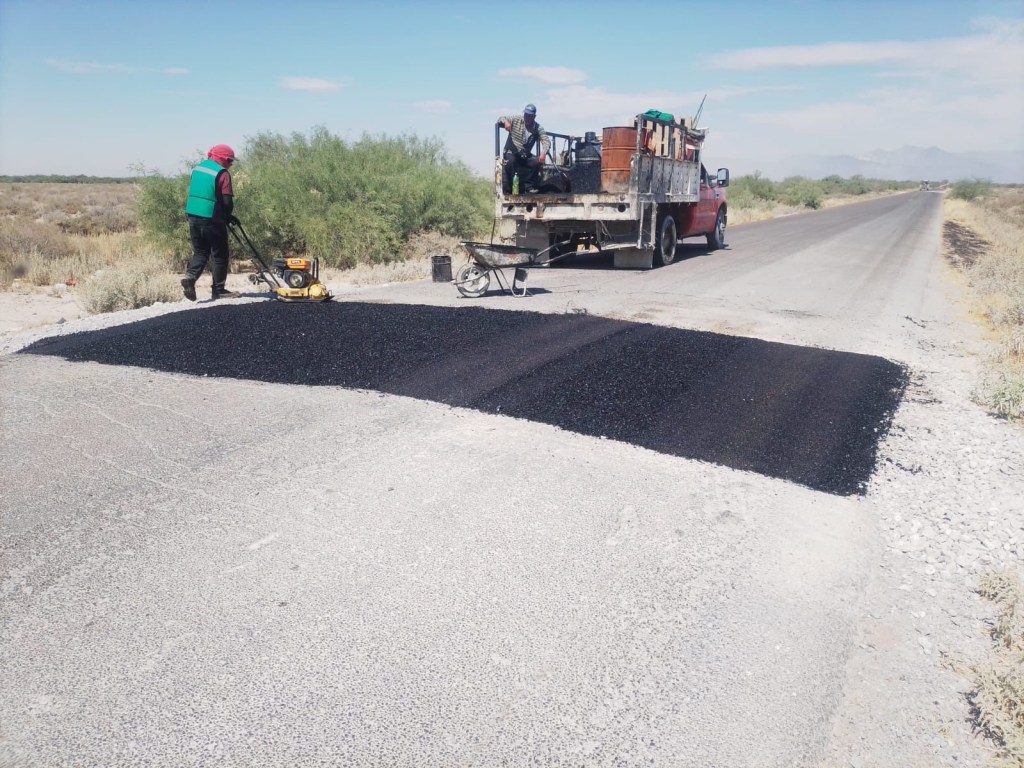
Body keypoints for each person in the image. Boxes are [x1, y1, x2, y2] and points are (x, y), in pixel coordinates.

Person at [181, 144, 240, 301]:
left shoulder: (197, 169)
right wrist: (227, 215)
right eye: (229, 160)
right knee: (220, 254)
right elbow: (227, 202)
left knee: (200, 252)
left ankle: (190, 278)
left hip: (192, 215)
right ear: (222, 158)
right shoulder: (222, 173)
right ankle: (218, 290)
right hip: (211, 218)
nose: (230, 164)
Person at [497, 103, 550, 194]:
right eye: (526, 115)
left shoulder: (538, 127)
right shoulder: (516, 119)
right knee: (511, 161)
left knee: (536, 161)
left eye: (530, 116)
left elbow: (546, 141)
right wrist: (505, 121)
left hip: (524, 154)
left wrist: (543, 152)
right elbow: (500, 118)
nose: (527, 117)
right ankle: (511, 188)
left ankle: (529, 186)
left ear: (534, 117)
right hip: (511, 152)